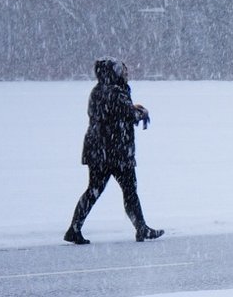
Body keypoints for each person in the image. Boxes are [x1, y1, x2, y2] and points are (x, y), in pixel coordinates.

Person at [65, 58, 164, 244]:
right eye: (122, 71)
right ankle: (141, 228)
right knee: (128, 190)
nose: (126, 74)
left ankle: (75, 228)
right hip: (115, 151)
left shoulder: (98, 90)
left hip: (98, 150)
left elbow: (111, 114)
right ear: (114, 73)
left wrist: (130, 109)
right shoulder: (115, 91)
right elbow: (126, 115)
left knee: (94, 190)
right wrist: (141, 112)